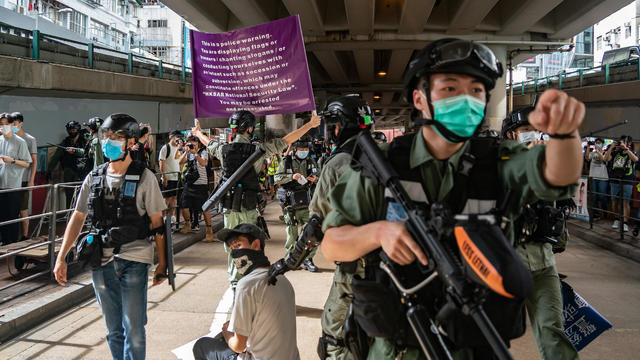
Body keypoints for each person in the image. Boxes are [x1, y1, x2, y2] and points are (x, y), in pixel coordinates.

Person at [321, 38, 585, 359]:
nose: (465, 99)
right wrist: (378, 233)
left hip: (478, 342)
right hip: (401, 347)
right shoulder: (382, 165)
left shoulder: (499, 162)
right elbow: (332, 243)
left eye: (476, 90)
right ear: (420, 99)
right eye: (449, 88)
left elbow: (557, 175)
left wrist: (565, 134)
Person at [268, 94, 374, 360]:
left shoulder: (338, 162)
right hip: (393, 268)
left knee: (335, 338)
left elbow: (316, 226)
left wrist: (288, 263)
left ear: (338, 126)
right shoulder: (384, 155)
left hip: (356, 269)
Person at [53, 113, 167, 360]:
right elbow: (78, 217)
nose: (109, 142)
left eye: (117, 137)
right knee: (113, 330)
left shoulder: (145, 178)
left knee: (134, 328)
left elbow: (158, 224)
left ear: (132, 143)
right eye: (106, 136)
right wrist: (61, 257)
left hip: (135, 260)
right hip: (101, 261)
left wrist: (163, 263)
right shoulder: (93, 177)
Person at [191, 110, 320, 287]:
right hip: (249, 206)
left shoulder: (223, 149)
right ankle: (251, 279)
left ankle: (235, 282)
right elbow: (287, 141)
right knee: (251, 242)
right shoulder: (258, 150)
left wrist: (197, 132)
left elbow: (209, 143)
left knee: (233, 243)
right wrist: (310, 125)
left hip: (229, 208)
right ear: (250, 128)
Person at [502, 106, 580, 360]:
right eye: (526, 129)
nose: (533, 134)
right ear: (512, 134)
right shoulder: (498, 165)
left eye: (537, 129)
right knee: (488, 335)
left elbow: (565, 196)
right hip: (503, 264)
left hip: (543, 263)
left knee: (552, 330)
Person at [192, 223, 299, 360]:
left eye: (238, 246)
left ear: (255, 245)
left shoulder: (247, 285)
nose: (235, 254)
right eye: (232, 249)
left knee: (202, 346)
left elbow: (238, 346)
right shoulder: (282, 279)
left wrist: (226, 333)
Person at [274, 137, 319, 272]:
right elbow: (276, 178)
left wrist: (316, 179)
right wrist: (291, 177)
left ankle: (308, 259)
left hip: (306, 201)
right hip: (290, 202)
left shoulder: (311, 161)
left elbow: (320, 177)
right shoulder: (286, 161)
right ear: (295, 149)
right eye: (301, 149)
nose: (304, 151)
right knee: (292, 232)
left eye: (306, 149)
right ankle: (291, 257)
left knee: (311, 232)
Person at [0, 113, 32, 245]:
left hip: (13, 184)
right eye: (1, 124)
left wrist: (12, 160)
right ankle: (4, 241)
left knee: (12, 215)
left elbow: (27, 163)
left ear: (13, 124)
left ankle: (12, 243)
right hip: (0, 183)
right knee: (2, 216)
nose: (3, 127)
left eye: (6, 124)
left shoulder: (20, 142)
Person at [178, 135, 214, 241]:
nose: (191, 145)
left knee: (204, 208)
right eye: (189, 143)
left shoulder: (203, 152)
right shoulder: (188, 153)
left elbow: (203, 163)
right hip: (189, 183)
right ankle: (187, 223)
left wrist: (195, 154)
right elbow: (180, 162)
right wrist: (186, 151)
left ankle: (209, 230)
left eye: (193, 143)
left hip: (201, 184)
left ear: (198, 143)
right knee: (184, 205)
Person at [48, 120, 90, 208]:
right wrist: (49, 170)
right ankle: (69, 214)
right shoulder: (66, 141)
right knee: (69, 194)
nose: (71, 132)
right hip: (69, 170)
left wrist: (75, 151)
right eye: (70, 130)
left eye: (74, 130)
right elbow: (56, 156)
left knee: (82, 194)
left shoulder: (85, 140)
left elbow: (87, 153)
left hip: (82, 171)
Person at [10, 112, 38, 241]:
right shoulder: (8, 138)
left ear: (21, 123)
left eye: (14, 123)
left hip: (24, 179)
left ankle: (25, 235)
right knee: (10, 208)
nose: (12, 125)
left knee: (23, 209)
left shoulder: (29, 139)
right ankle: (11, 236)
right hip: (10, 179)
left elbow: (34, 161)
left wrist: (31, 180)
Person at [604, 135, 638, 232]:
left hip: (627, 180)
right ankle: (616, 219)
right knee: (614, 201)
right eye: (620, 142)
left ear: (629, 143)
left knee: (625, 202)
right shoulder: (615, 152)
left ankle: (625, 222)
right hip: (615, 179)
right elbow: (606, 159)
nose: (621, 143)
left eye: (623, 141)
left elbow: (635, 159)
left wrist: (626, 149)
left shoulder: (632, 152)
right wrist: (611, 147)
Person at [159, 130, 183, 227]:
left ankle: (172, 216)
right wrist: (164, 176)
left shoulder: (179, 148)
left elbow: (181, 161)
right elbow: (161, 162)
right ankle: (163, 218)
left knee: (174, 198)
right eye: (177, 136)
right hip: (168, 177)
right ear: (171, 137)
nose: (179, 138)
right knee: (166, 199)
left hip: (176, 177)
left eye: (179, 137)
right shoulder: (165, 148)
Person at [585, 138, 608, 220]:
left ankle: (605, 211)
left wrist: (598, 150)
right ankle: (596, 214)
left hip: (603, 177)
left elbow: (604, 159)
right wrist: (588, 147)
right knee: (594, 196)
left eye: (599, 143)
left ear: (602, 144)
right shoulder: (593, 153)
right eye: (596, 143)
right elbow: (587, 158)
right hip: (593, 177)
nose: (597, 144)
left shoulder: (606, 152)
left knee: (602, 196)